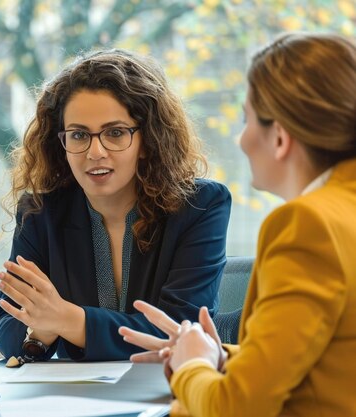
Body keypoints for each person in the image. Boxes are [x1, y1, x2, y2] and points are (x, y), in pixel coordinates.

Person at [120, 32, 356, 417]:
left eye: (246, 120)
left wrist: (190, 368)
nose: (241, 138)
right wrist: (210, 354)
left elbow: (235, 407)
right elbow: (330, 363)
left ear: (279, 137)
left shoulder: (307, 224)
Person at [0, 49, 231, 362]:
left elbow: (179, 331)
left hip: (172, 396)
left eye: (115, 133)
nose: (95, 151)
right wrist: (40, 333)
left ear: (148, 140)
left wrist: (67, 320)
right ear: (61, 144)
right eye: (78, 135)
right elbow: (6, 324)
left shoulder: (201, 206)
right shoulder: (41, 212)